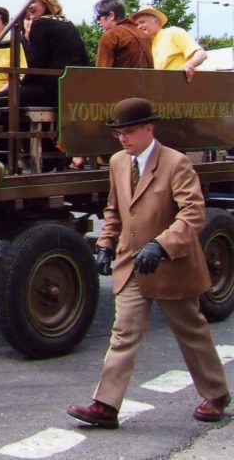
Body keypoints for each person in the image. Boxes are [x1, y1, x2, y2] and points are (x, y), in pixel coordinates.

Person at [67, 98, 229, 429]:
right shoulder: (117, 162)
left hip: (172, 264)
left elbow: (193, 213)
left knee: (191, 331)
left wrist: (161, 245)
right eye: (118, 133)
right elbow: (113, 208)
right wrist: (106, 243)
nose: (123, 139)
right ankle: (105, 405)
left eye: (129, 132)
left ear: (148, 129)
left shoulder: (176, 163)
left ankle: (216, 394)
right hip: (132, 264)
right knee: (123, 332)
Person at [0, 0, 88, 107]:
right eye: (27, 2)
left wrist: (22, 83)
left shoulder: (40, 23)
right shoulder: (67, 23)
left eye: (32, 2)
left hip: (52, 89)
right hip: (72, 87)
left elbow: (36, 63)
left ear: (46, 1)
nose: (28, 6)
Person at [131, 7, 206, 82]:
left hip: (184, 85)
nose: (139, 27)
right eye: (137, 24)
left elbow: (201, 54)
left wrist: (189, 65)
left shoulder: (173, 32)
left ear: (157, 22)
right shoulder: (147, 45)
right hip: (165, 88)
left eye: (142, 22)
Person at [94, 0, 153, 68]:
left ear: (111, 15)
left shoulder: (110, 36)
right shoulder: (144, 35)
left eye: (99, 17)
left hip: (121, 79)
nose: (99, 22)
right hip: (147, 79)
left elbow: (101, 73)